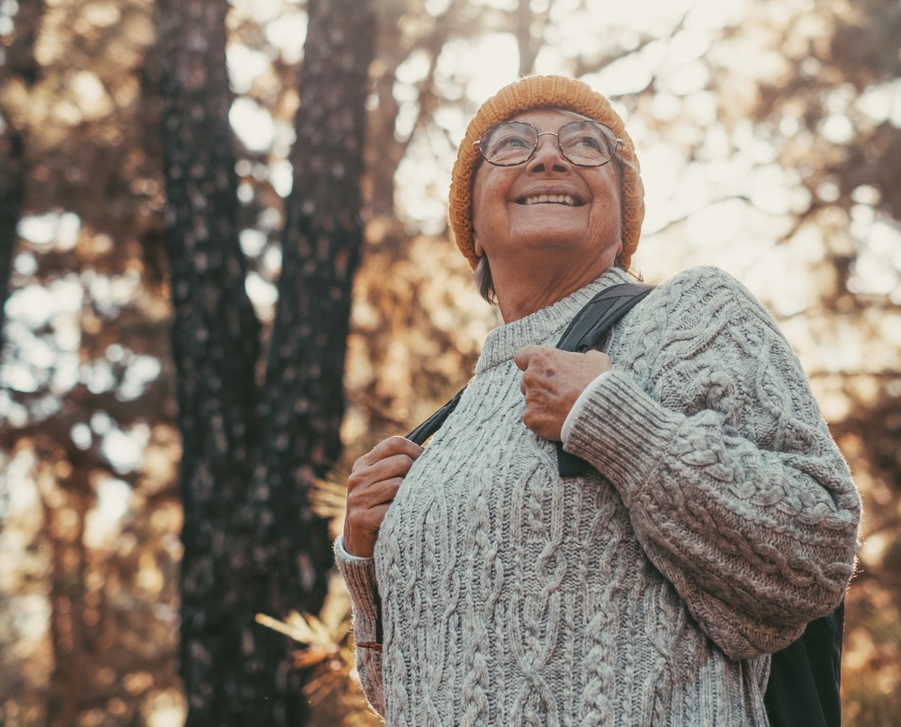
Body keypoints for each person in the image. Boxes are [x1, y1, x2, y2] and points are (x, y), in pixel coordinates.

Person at [336, 75, 861, 725]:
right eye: (512, 144)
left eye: (585, 145)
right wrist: (365, 562)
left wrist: (614, 421)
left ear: (623, 222)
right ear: (472, 224)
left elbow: (815, 549)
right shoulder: (445, 435)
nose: (548, 158)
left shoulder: (689, 315)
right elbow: (404, 695)